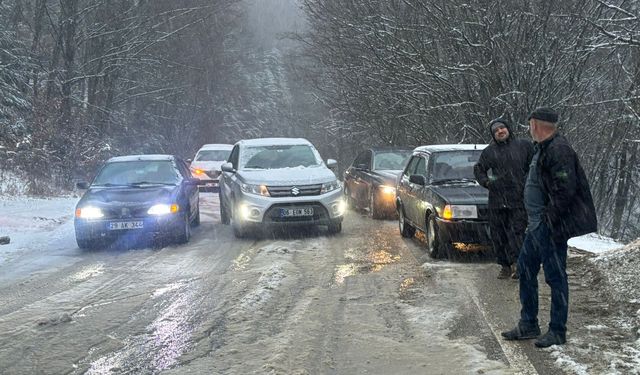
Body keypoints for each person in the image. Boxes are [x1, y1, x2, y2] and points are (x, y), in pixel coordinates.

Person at [501, 107, 597, 348]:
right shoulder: (542, 148)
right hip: (536, 228)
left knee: (555, 277)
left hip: (551, 227)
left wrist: (548, 221)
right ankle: (528, 324)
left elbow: (565, 190)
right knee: (524, 269)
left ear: (535, 124)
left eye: (530, 124)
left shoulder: (559, 149)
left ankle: (557, 330)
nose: (529, 128)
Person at [474, 117, 533, 279]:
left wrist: (529, 183)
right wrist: (486, 182)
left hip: (519, 200)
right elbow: (479, 169)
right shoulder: (489, 151)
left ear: (508, 129)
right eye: (496, 131)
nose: (500, 131)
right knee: (498, 235)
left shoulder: (524, 146)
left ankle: (519, 265)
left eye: (502, 128)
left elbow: (534, 165)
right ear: (493, 135)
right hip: (497, 200)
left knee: (517, 233)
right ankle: (505, 266)